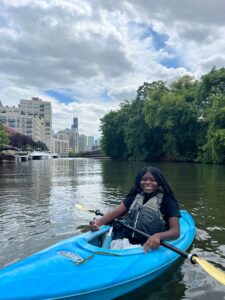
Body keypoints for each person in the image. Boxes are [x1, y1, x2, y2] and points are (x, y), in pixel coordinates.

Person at [89, 166, 180, 252]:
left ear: (159, 182)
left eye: (153, 180)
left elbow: (175, 232)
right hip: (127, 238)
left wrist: (158, 236)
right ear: (139, 182)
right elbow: (114, 213)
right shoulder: (134, 197)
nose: (148, 182)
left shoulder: (167, 201)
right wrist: (98, 223)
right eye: (144, 179)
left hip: (148, 243)